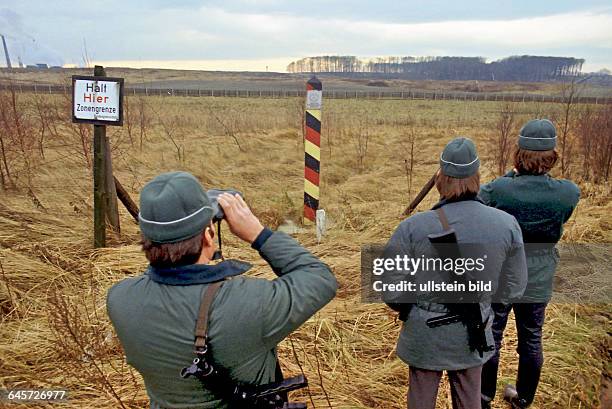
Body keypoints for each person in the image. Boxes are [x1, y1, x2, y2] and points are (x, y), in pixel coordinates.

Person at [106, 171, 337, 408]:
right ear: (208, 235)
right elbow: (319, 278)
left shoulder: (120, 299)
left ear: (146, 237)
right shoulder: (249, 303)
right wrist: (259, 234)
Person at [382, 137, 528, 409]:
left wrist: (415, 307)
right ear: (476, 178)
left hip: (425, 333)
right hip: (474, 329)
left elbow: (389, 288)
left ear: (440, 179)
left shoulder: (412, 227)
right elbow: (515, 287)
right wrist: (485, 303)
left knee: (421, 400)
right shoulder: (506, 225)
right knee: (469, 399)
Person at [480, 119, 580, 408]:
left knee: (492, 335)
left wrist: (512, 178)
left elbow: (481, 200)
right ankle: (523, 399)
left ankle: (484, 397)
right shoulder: (567, 192)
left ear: (518, 155)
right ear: (552, 156)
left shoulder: (499, 189)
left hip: (502, 273)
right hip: (539, 274)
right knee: (532, 338)